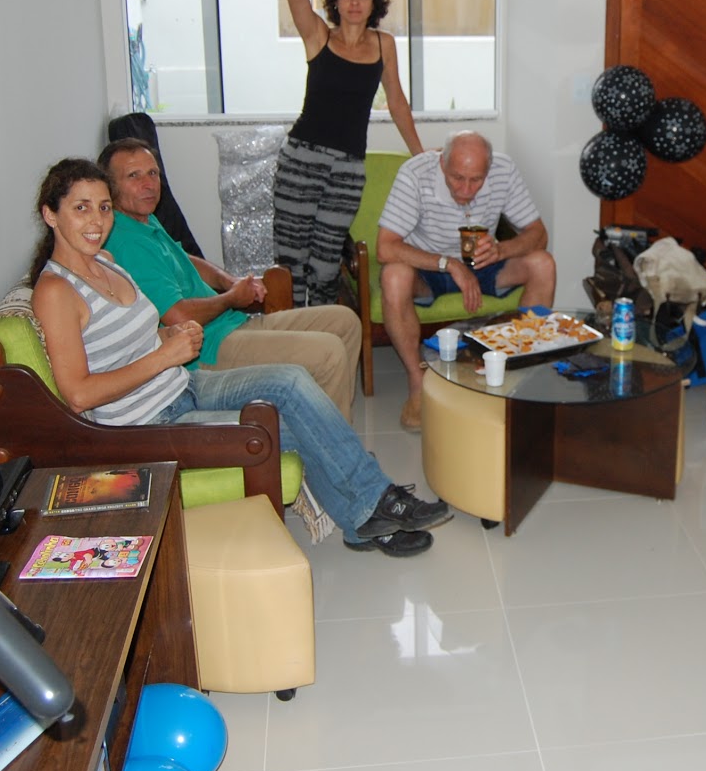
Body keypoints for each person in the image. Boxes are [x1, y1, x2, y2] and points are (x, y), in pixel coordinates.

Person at [29, 157, 451, 557]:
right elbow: (79, 395)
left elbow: (132, 337)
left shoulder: (106, 262)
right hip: (150, 425)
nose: (97, 220)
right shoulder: (56, 292)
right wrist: (164, 356)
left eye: (103, 207)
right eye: (81, 208)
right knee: (296, 424)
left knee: (290, 380)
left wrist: (168, 335)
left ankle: (369, 513)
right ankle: (377, 506)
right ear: (50, 214)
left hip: (182, 385)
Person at [99, 139, 362, 420]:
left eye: (153, 173)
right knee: (329, 352)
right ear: (110, 188)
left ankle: (328, 425)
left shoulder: (143, 219)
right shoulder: (126, 241)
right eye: (134, 176)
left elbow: (184, 258)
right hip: (207, 349)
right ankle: (327, 442)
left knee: (345, 322)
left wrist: (228, 280)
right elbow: (179, 317)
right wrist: (231, 299)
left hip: (228, 325)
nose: (149, 184)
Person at [269, 0, 425, 308]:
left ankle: (322, 334)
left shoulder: (384, 45)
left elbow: (397, 103)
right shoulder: (319, 36)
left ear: (374, 2)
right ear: (335, 0)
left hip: (347, 170)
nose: (355, 1)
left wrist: (420, 155)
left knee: (325, 266)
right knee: (291, 263)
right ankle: (290, 336)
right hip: (301, 161)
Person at [375, 130, 557, 430]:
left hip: (484, 264)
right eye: (457, 178)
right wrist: (449, 265)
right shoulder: (415, 174)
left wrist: (501, 250)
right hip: (429, 268)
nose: (466, 189)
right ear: (442, 163)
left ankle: (518, 367)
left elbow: (539, 234)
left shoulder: (504, 170)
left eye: (476, 180)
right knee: (394, 275)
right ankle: (418, 382)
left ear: (488, 170)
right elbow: (385, 247)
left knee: (543, 264)